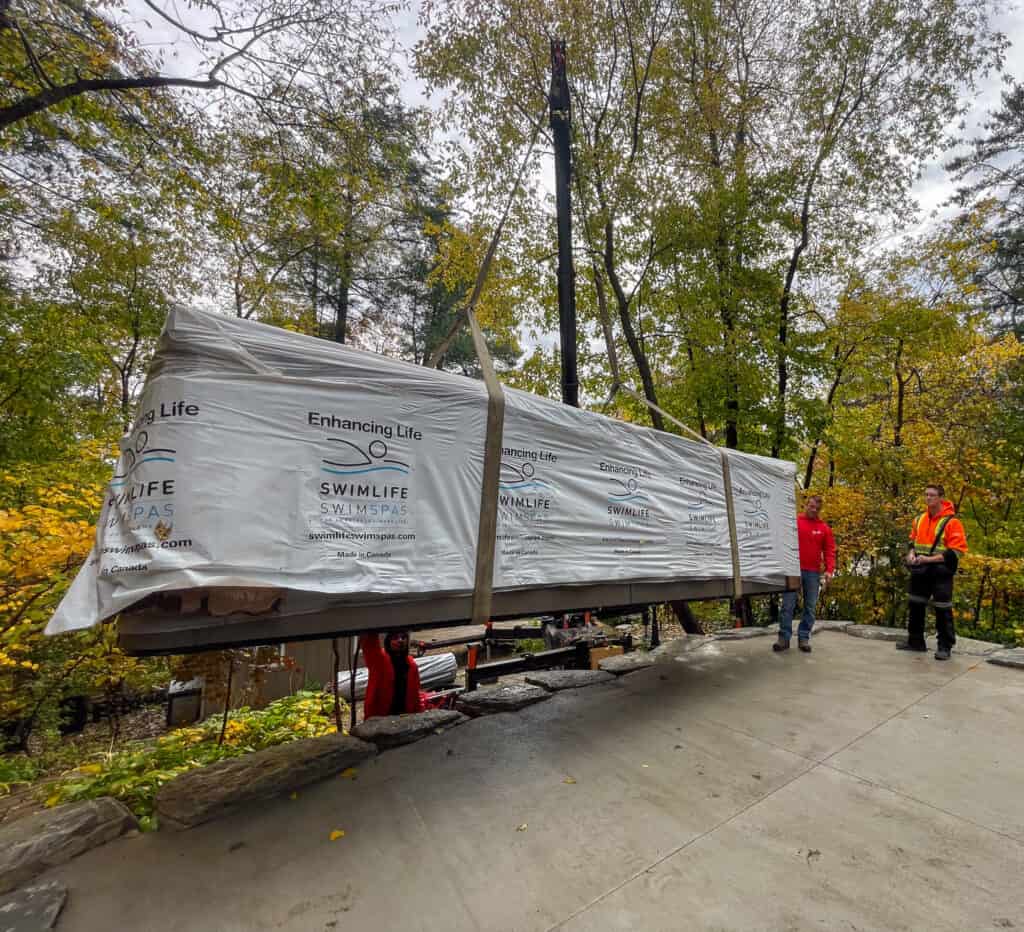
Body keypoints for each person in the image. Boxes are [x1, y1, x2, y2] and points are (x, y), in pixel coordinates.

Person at [897, 484, 968, 661]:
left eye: (932, 495)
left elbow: (956, 552)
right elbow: (912, 541)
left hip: (941, 572)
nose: (928, 498)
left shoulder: (952, 523)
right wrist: (910, 554)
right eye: (926, 495)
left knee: (942, 608)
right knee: (915, 604)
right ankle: (915, 642)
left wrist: (928, 559)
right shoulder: (919, 519)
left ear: (941, 498)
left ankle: (944, 646)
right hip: (920, 569)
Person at [774, 494, 836, 654]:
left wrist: (829, 570)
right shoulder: (794, 522)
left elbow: (829, 551)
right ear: (805, 505)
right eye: (811, 506)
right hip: (792, 569)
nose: (813, 510)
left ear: (819, 510)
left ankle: (803, 638)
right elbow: (781, 540)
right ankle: (784, 638)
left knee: (810, 607)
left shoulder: (824, 528)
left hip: (813, 573)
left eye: (816, 508)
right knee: (787, 605)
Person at [359, 630, 425, 718]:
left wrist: (419, 714)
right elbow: (369, 642)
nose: (400, 640)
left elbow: (415, 695)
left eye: (403, 637)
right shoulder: (379, 659)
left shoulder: (411, 665)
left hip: (404, 716)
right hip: (380, 718)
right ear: (388, 641)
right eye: (395, 638)